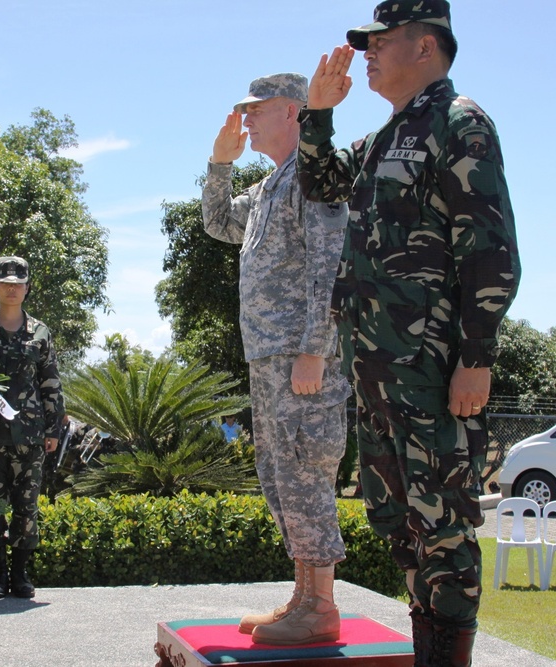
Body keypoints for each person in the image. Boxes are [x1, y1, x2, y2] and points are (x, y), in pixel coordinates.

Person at [296, 1, 521, 662]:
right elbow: (319, 182)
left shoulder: (460, 123)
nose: (367, 53)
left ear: (426, 46)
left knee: (444, 526)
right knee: (397, 522)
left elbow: (491, 249)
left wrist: (475, 355)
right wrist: (318, 113)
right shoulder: (384, 139)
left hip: (431, 370)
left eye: (380, 41)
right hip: (376, 374)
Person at [203, 72, 351, 645]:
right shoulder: (269, 187)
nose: (247, 119)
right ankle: (303, 597)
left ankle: (320, 607)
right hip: (269, 359)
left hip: (300, 358)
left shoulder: (313, 179)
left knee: (306, 471)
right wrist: (220, 165)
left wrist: (315, 349)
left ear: (293, 112)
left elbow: (327, 269)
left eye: (256, 110)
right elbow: (219, 224)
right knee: (281, 476)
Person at [0, 256, 64, 599]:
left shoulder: (40, 332)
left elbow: (50, 383)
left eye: (17, 282)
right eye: (5, 282)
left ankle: (20, 575)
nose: (11, 288)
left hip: (29, 435)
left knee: (26, 507)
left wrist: (53, 430)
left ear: (27, 287)